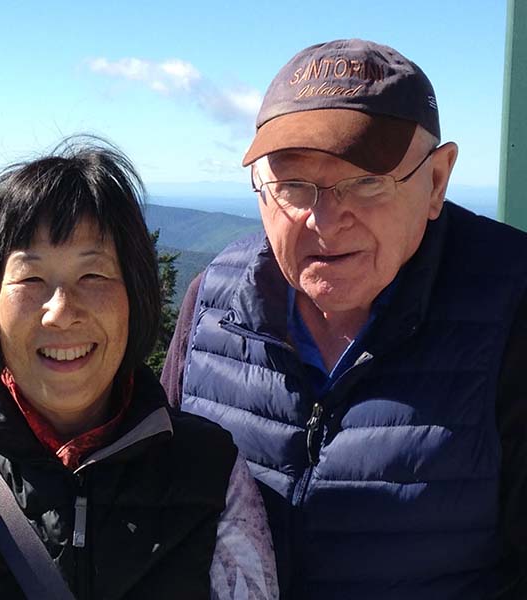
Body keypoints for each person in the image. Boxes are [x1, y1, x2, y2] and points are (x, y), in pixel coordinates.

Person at [162, 39, 527, 600]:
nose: (324, 220)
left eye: (365, 181)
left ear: (437, 181)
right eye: (291, 186)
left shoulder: (511, 310)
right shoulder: (213, 302)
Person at [0, 137, 279, 599]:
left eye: (92, 275)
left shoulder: (213, 474)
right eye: (30, 279)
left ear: (135, 295)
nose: (61, 310)